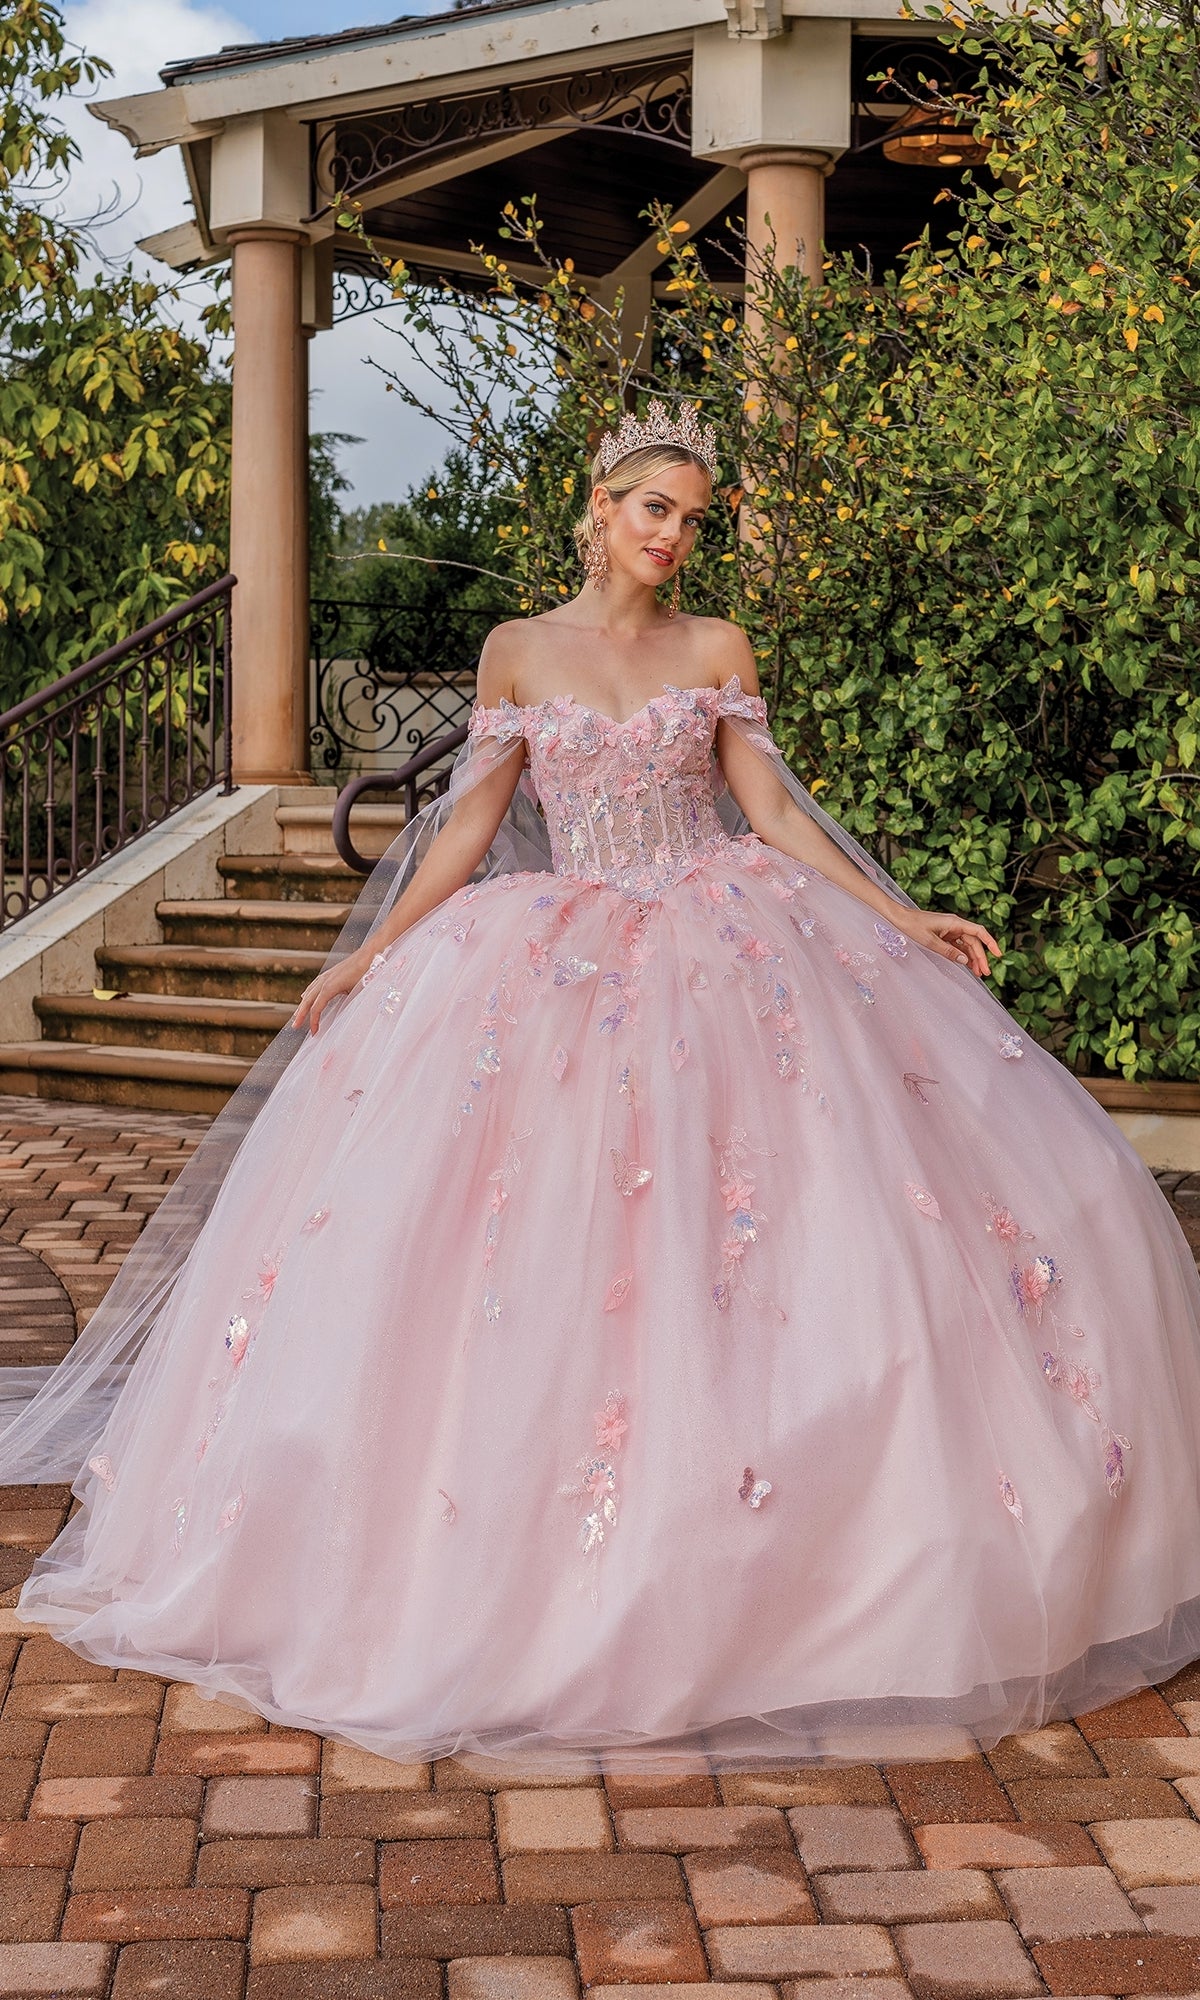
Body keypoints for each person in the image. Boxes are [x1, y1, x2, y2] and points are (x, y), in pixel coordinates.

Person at [4, 400, 1200, 1774]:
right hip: (557, 948)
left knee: (771, 1236)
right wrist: (379, 956)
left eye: (694, 517)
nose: (675, 538)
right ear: (598, 508)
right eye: (655, 510)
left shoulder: (716, 648)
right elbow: (470, 819)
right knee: (536, 1250)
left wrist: (903, 912)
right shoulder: (519, 649)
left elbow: (770, 810)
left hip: (729, 941)